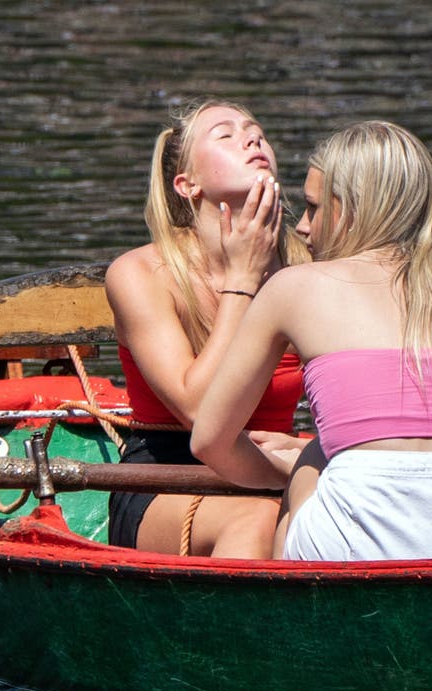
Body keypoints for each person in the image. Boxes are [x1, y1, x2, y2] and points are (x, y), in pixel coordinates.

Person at [191, 120, 432, 561]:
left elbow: (209, 440)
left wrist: (286, 470)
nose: (302, 227)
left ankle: (296, 612)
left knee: (317, 455)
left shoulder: (294, 286)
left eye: (313, 207)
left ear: (354, 211)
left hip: (348, 546)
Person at [106, 99, 309, 558]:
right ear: (187, 184)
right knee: (258, 523)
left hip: (270, 467)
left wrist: (314, 457)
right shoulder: (141, 273)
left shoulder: (309, 270)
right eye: (226, 134)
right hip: (166, 480)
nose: (252, 139)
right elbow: (200, 410)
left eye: (256, 131)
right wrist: (243, 281)